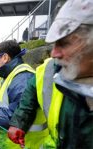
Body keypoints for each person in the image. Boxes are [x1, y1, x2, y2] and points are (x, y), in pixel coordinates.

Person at [8, 0, 93, 148]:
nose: (53, 53)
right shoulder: (49, 68)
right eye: (54, 44)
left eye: (65, 43)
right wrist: (19, 122)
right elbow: (31, 92)